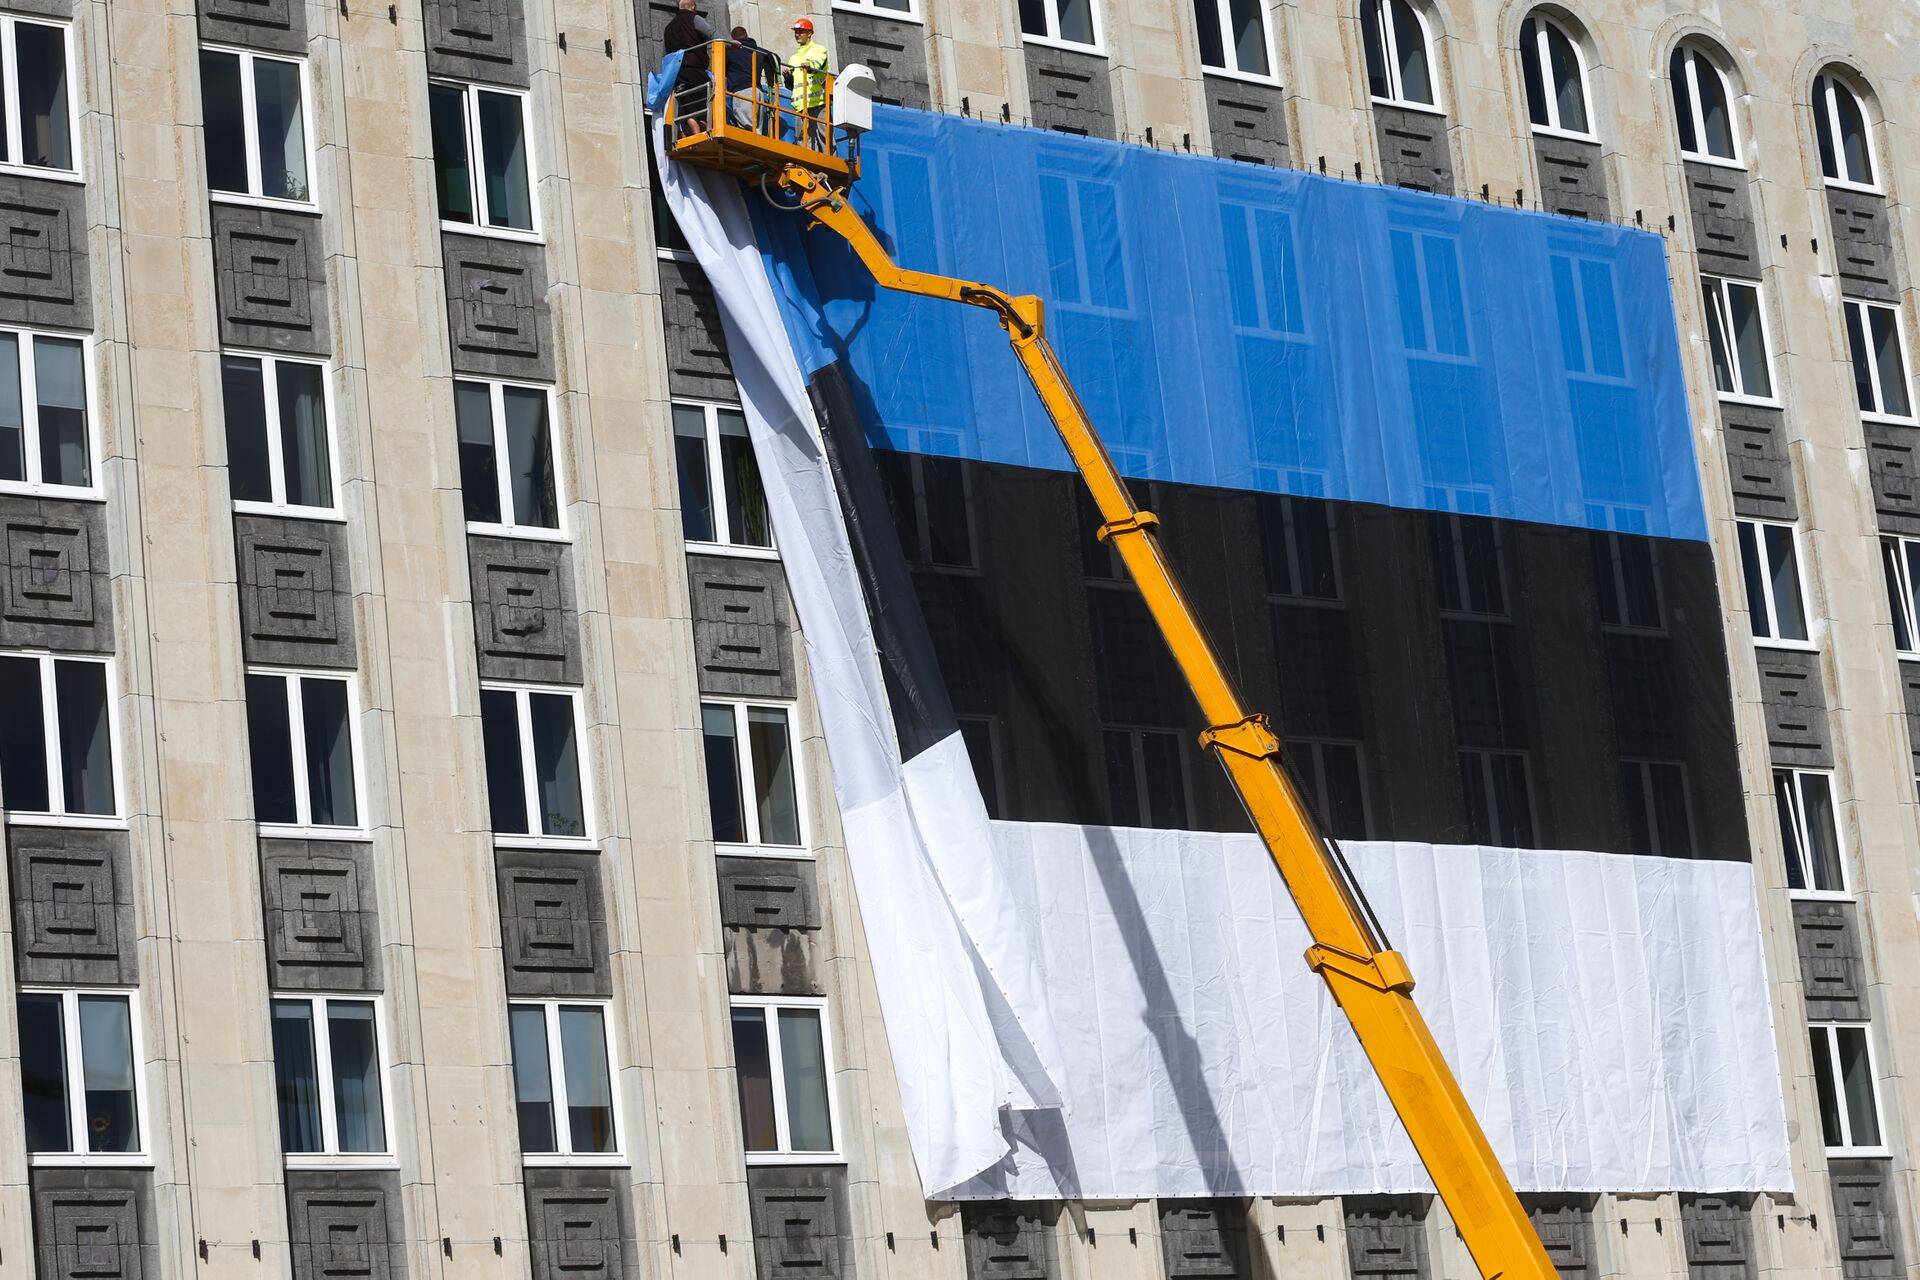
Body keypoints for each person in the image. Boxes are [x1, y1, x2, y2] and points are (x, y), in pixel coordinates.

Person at [662, 0, 716, 129]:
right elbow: (712, 34)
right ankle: (706, 123)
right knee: (711, 91)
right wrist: (730, 45)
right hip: (693, 66)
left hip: (676, 71)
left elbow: (665, 53)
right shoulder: (693, 18)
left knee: (686, 101)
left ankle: (695, 128)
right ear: (693, 7)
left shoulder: (668, 27)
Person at [784, 17, 831, 148]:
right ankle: (807, 167)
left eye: (801, 31)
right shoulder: (794, 58)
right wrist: (787, 77)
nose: (797, 34)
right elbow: (791, 85)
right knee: (802, 138)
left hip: (819, 102)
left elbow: (816, 65)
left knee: (825, 137)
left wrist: (809, 66)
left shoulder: (819, 50)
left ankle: (829, 166)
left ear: (810, 34)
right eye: (796, 32)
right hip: (801, 106)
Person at [725, 26, 775, 132]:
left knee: (746, 129)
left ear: (733, 38)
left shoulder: (731, 51)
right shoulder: (757, 51)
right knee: (757, 130)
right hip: (758, 92)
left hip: (743, 93)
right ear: (747, 35)